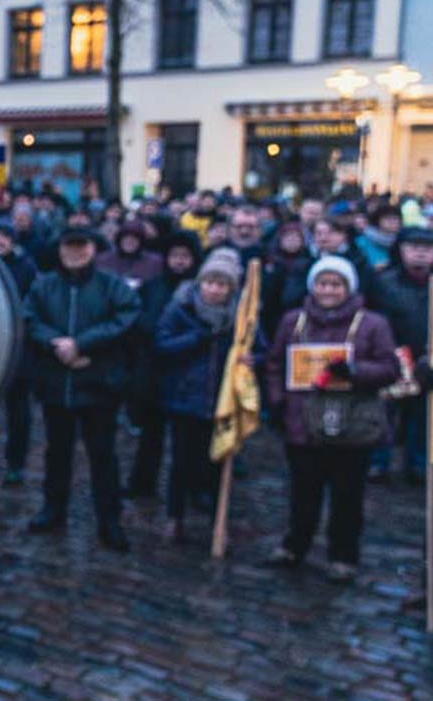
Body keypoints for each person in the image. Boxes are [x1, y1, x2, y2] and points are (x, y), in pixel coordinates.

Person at [263, 256, 398, 582]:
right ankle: (295, 545)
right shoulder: (293, 321)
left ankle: (343, 555)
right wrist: (278, 402)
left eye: (336, 284)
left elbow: (390, 368)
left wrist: (355, 371)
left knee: (347, 495)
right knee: (302, 492)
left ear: (348, 287)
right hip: (302, 421)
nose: (329, 290)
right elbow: (274, 364)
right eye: (323, 283)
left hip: (351, 423)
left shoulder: (372, 324)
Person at [24, 227, 141, 552]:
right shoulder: (45, 284)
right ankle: (53, 508)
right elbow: (29, 318)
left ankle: (109, 519)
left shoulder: (111, 284)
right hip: (56, 384)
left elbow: (126, 316)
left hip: (98, 384)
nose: (75, 253)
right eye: (69, 247)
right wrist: (55, 344)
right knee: (56, 453)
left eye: (82, 247)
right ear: (60, 249)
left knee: (103, 456)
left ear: (93, 248)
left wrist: (83, 344)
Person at [154, 252, 244, 541]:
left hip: (222, 400)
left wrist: (250, 358)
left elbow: (258, 346)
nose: (215, 289)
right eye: (210, 282)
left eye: (222, 285)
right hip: (185, 398)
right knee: (181, 462)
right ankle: (174, 517)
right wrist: (195, 339)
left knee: (217, 464)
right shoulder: (181, 308)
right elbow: (162, 344)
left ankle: (218, 521)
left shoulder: (241, 316)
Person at [126, 230, 202, 499]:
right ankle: (142, 483)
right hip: (155, 371)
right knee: (151, 436)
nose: (179, 261)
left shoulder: (201, 288)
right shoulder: (153, 286)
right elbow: (142, 322)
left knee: (189, 441)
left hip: (189, 373)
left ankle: (192, 489)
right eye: (175, 256)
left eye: (185, 256)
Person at [368, 226, 433, 483]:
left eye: (426, 249)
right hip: (394, 354)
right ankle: (378, 462)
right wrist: (394, 355)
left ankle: (418, 463)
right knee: (386, 412)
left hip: (428, 358)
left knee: (423, 415)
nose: (420, 254)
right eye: (413, 248)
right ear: (401, 250)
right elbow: (378, 319)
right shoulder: (385, 281)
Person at [0, 225, 38, 482]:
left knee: (18, 411)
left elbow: (32, 304)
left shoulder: (26, 267)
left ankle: (15, 463)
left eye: (5, 237)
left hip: (18, 348)